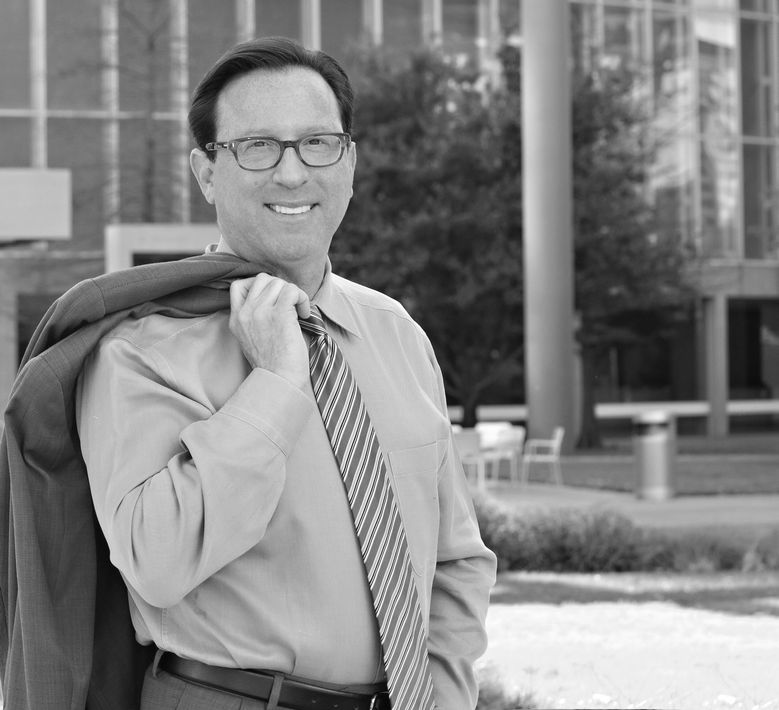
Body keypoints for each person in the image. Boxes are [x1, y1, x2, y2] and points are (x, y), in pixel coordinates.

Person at [0, 36, 495, 710]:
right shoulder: (139, 348)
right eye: (256, 147)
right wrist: (276, 386)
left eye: (318, 143)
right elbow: (157, 560)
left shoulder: (394, 333)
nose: (292, 174)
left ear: (349, 161)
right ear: (207, 172)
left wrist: (441, 695)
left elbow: (454, 559)